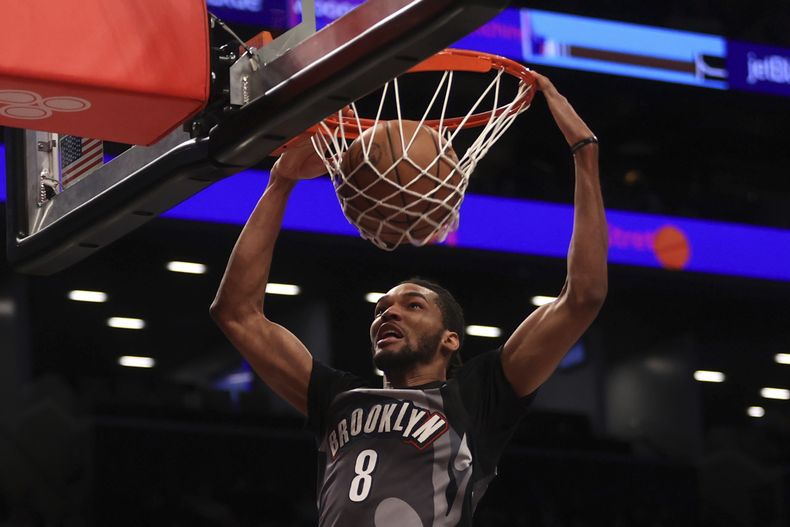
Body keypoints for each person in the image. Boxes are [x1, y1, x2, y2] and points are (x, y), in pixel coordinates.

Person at [210, 72, 608, 526]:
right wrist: (280, 182)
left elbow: (583, 296)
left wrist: (585, 153)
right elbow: (236, 313)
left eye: (412, 305)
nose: (389, 312)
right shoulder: (338, 399)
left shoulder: (480, 396)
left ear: (451, 340)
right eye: (381, 308)